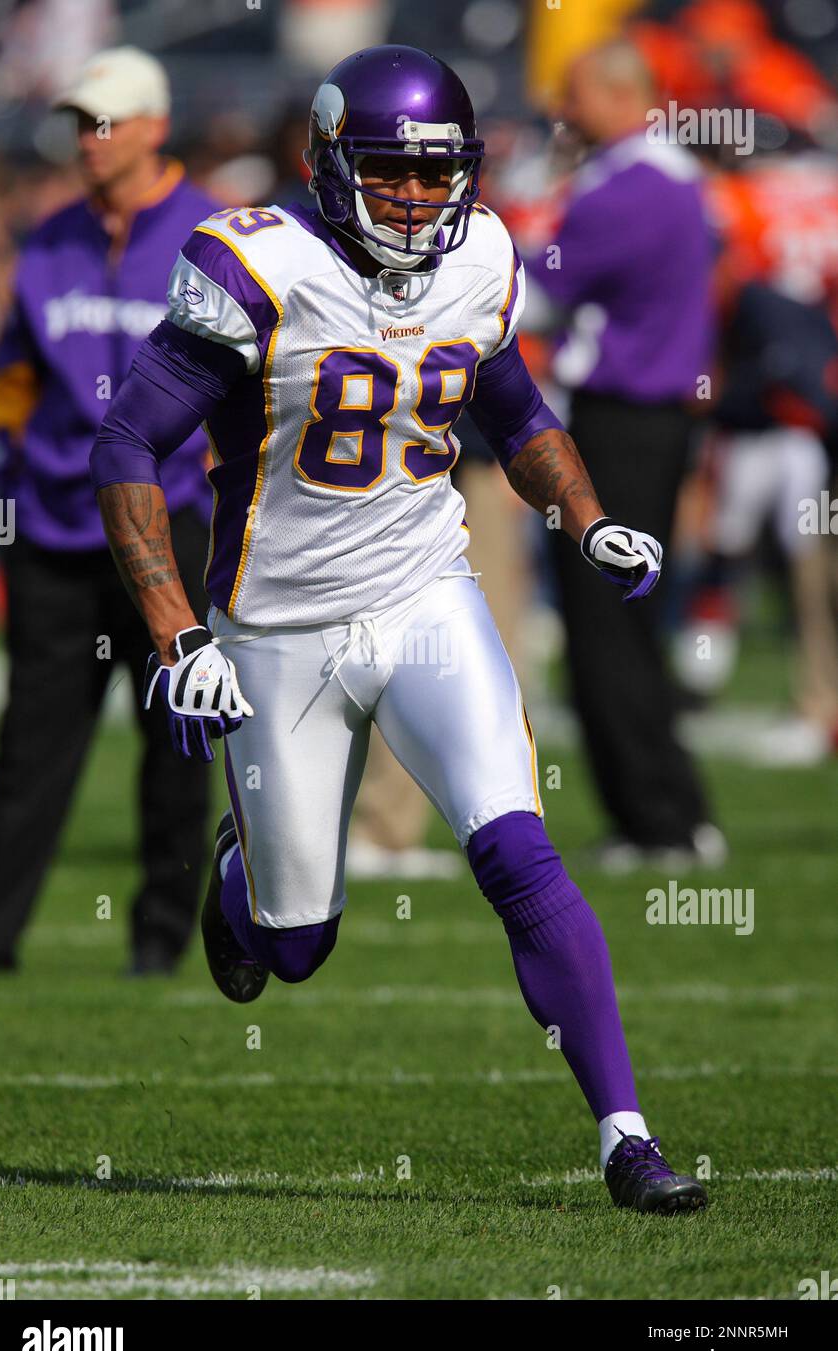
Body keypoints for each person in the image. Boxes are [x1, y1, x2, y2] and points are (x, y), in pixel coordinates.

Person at [91, 44, 707, 1214]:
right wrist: (178, 636)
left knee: (517, 851)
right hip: (277, 629)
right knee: (295, 944)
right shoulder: (253, 265)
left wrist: (583, 518)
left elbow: (514, 406)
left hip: (427, 593)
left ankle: (624, 1136)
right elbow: (125, 442)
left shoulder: (478, 257)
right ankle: (240, 877)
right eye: (393, 173)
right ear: (330, 164)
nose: (421, 199)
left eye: (439, 175)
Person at [0, 48, 215, 976]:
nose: (88, 140)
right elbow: (15, 375)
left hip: (171, 524)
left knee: (179, 739)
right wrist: (16, 458)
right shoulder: (51, 238)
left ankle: (160, 942)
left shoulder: (213, 239)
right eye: (79, 123)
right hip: (56, 529)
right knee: (31, 746)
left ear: (154, 128)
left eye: (105, 122)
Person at [527, 40, 725, 870]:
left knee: (604, 623)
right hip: (651, 417)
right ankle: (668, 813)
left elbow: (535, 296)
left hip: (619, 419)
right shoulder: (675, 181)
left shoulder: (631, 189)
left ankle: (658, 820)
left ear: (624, 96)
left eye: (579, 93)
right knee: (624, 621)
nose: (565, 109)